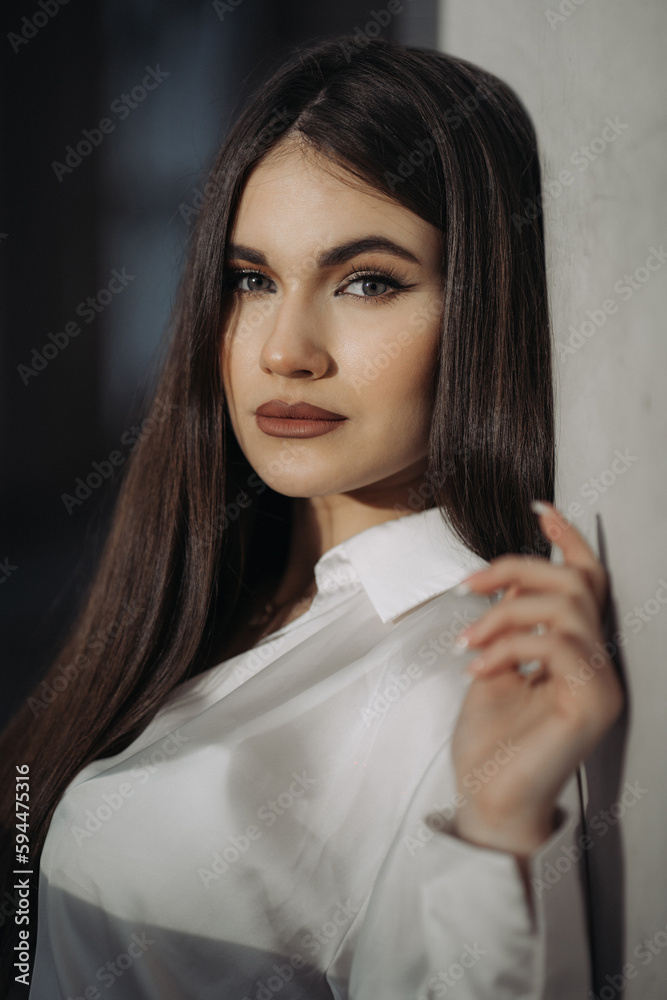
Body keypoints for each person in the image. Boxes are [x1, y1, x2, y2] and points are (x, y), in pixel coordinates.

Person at [0, 34, 623, 999]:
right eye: (252, 280)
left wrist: (496, 829)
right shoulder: (218, 597)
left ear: (480, 306)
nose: (285, 349)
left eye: (366, 281)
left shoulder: (459, 678)